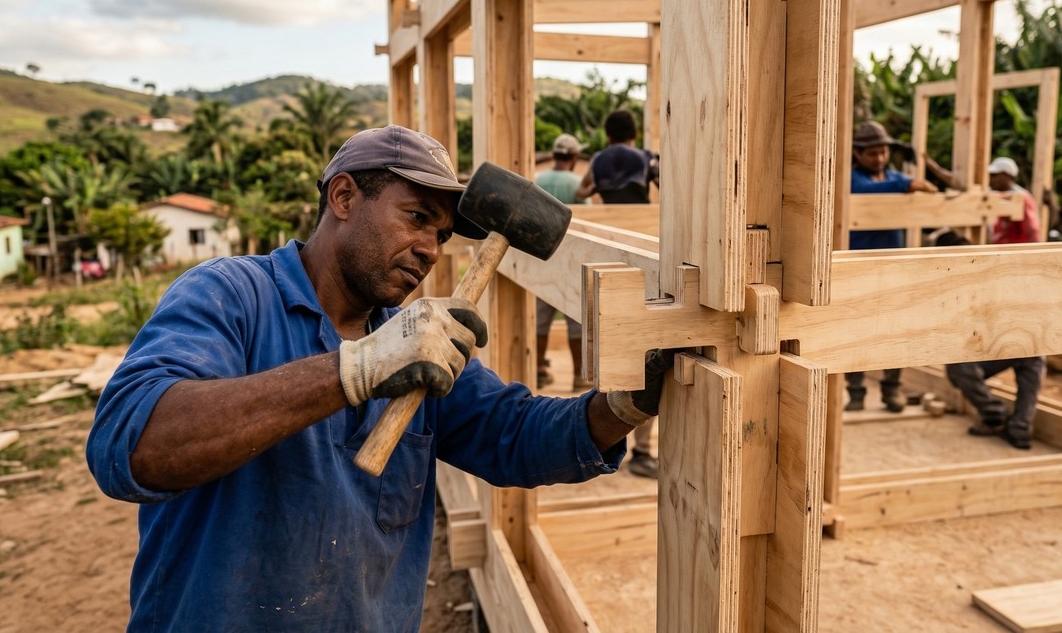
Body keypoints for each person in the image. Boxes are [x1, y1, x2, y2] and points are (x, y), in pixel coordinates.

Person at [87, 125, 670, 631]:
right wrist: (356, 368)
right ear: (344, 195)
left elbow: (513, 434)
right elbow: (131, 446)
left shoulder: (414, 342)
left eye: (442, 235)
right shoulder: (230, 295)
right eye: (417, 218)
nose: (430, 250)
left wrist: (618, 408)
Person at [573, 110, 660, 478]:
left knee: (611, 341)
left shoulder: (598, 159)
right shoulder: (645, 157)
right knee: (648, 345)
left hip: (612, 248)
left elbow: (582, 191)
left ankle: (604, 432)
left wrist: (604, 196)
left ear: (607, 135)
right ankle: (642, 448)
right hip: (645, 246)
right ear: (633, 132)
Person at [944, 156, 1044, 449]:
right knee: (1032, 354)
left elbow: (1034, 238)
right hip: (1006, 281)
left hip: (1015, 277)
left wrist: (1025, 267)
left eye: (993, 175)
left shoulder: (1020, 199)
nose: (989, 179)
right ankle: (1019, 426)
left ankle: (1001, 418)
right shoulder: (996, 199)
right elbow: (962, 186)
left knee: (1029, 354)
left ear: (1006, 175)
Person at [845, 121, 937, 413]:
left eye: (883, 152)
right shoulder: (852, 180)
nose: (879, 158)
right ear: (858, 154)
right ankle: (856, 391)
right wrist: (907, 184)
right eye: (872, 153)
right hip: (860, 266)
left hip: (894, 266)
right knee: (856, 333)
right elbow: (861, 191)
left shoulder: (896, 177)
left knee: (896, 331)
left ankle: (891, 390)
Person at [535, 133, 590, 391]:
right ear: (575, 158)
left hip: (540, 260)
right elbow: (590, 218)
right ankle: (579, 377)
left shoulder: (538, 181)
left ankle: (537, 372)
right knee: (575, 318)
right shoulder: (577, 183)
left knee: (540, 319)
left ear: (554, 155)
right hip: (572, 260)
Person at [576, 109, 657, 204]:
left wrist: (595, 188)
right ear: (633, 134)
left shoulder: (597, 159)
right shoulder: (646, 158)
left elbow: (580, 191)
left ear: (608, 137)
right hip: (641, 216)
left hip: (610, 216)